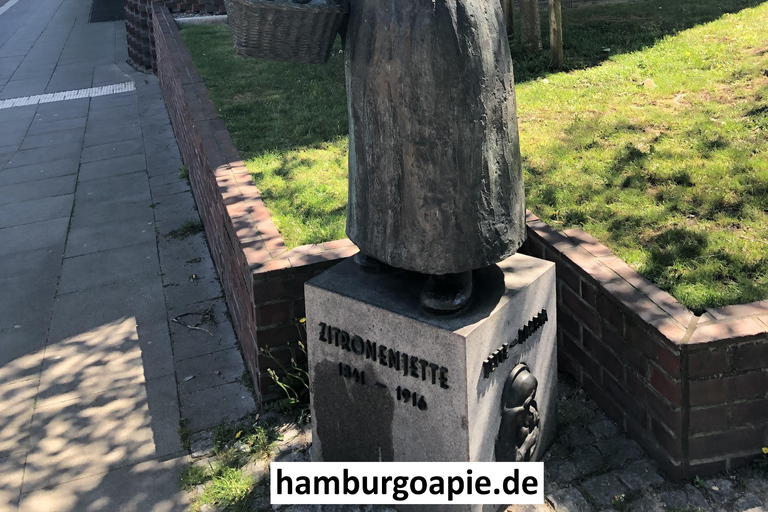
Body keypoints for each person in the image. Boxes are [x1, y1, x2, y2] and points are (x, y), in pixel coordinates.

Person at [342, 0, 526, 312]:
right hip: (373, 19)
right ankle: (381, 239)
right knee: (379, 123)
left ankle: (452, 259)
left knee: (444, 125)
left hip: (446, 16)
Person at [496, 363, 540, 462]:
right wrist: (526, 445)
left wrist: (530, 411)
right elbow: (509, 463)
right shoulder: (510, 421)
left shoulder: (521, 410)